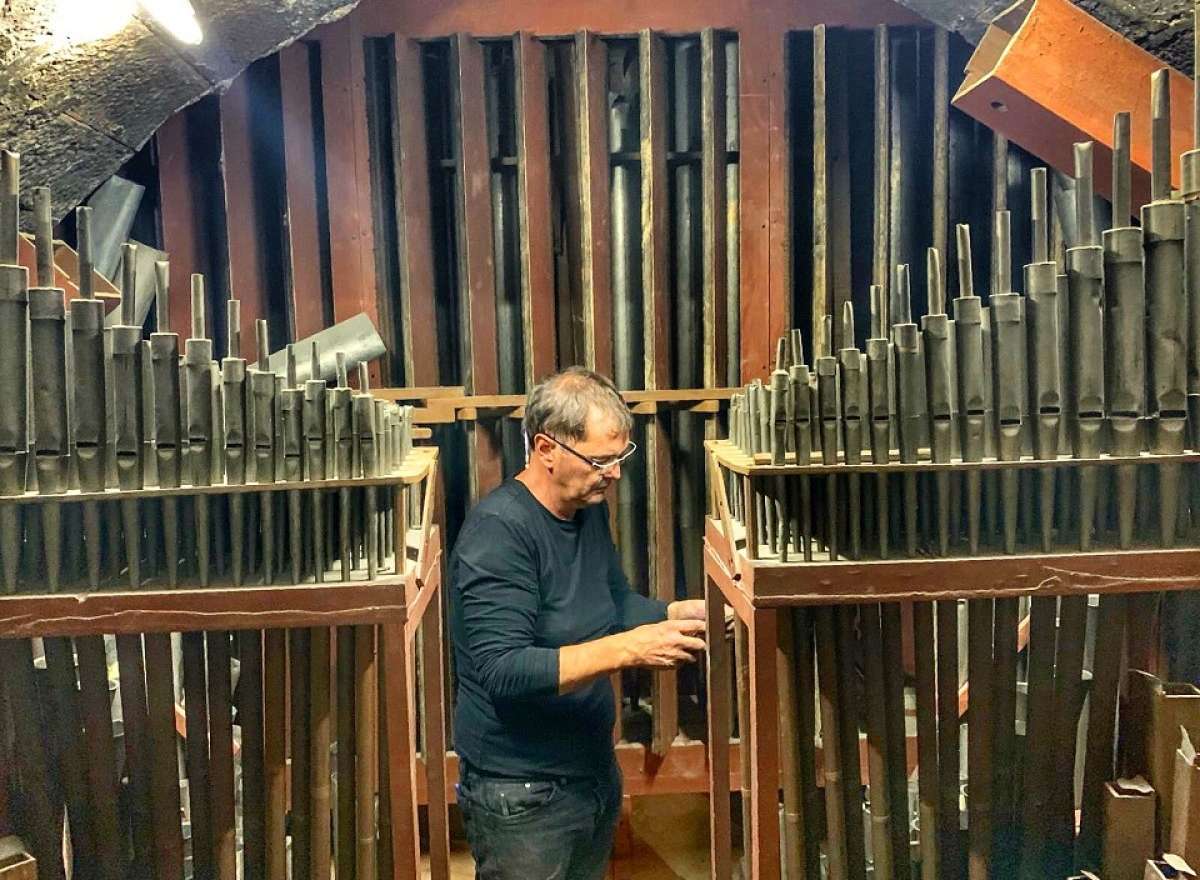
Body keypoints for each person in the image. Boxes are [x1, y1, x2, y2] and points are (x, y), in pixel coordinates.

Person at [448, 366, 708, 880]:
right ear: (545, 449)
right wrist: (630, 650)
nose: (613, 474)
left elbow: (610, 602)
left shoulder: (586, 509)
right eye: (599, 460)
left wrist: (674, 614)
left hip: (589, 770)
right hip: (522, 792)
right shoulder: (498, 534)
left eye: (620, 459)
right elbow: (504, 669)